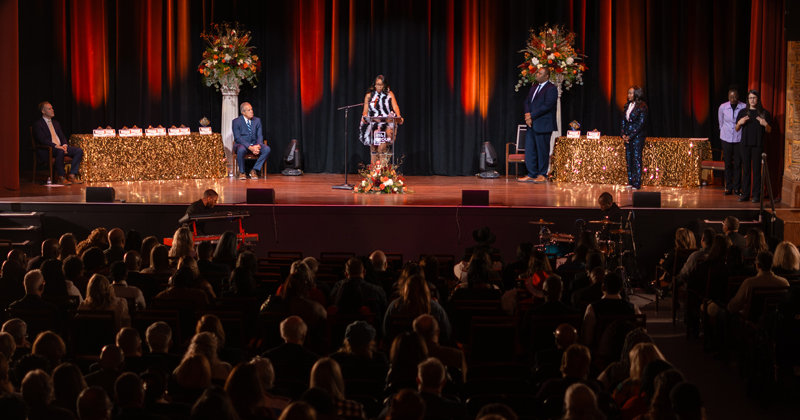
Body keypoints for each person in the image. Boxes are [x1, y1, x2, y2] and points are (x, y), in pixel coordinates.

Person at [519, 67, 558, 183]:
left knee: (542, 150)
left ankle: (542, 174)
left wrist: (531, 115)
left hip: (543, 124)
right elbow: (526, 102)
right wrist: (527, 114)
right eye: (537, 73)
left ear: (546, 76)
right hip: (531, 124)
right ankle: (531, 173)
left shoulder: (551, 88)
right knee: (530, 149)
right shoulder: (533, 87)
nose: (537, 75)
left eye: (540, 73)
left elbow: (547, 106)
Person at [31, 101, 84, 185]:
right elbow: (43, 140)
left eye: (52, 108)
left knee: (78, 151)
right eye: (49, 109)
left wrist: (65, 146)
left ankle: (72, 175)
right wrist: (56, 146)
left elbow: (62, 136)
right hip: (47, 150)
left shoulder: (56, 123)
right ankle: (61, 177)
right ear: (43, 111)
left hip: (60, 148)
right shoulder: (38, 124)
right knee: (60, 151)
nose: (52, 110)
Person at [735, 89, 772, 202]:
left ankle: (756, 195)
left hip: (757, 145)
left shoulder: (763, 113)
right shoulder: (742, 112)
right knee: (746, 170)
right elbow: (736, 129)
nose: (752, 100)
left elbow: (769, 130)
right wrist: (739, 123)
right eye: (750, 98)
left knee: (756, 170)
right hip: (745, 145)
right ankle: (745, 194)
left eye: (754, 98)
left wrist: (765, 124)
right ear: (748, 99)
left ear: (758, 99)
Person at [359, 75, 404, 166]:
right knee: (373, 149)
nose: (379, 87)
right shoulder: (369, 96)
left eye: (381, 85)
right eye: (377, 84)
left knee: (382, 148)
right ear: (374, 85)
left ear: (384, 85)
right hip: (373, 124)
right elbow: (365, 110)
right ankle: (374, 173)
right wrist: (364, 116)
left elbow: (395, 106)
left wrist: (399, 116)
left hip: (385, 124)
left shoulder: (389, 94)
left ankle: (382, 171)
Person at [718, 88, 747, 196]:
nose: (733, 99)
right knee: (728, 164)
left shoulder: (743, 106)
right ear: (728, 97)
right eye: (731, 97)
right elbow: (720, 122)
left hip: (738, 138)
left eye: (734, 97)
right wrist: (723, 132)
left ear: (738, 96)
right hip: (726, 138)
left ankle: (736, 189)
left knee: (738, 164)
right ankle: (728, 188)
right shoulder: (723, 107)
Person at [621, 85, 649, 190]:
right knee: (629, 158)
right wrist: (623, 134)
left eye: (631, 93)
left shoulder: (642, 106)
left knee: (636, 159)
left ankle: (637, 183)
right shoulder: (627, 105)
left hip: (637, 136)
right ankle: (630, 181)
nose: (629, 95)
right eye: (628, 93)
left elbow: (641, 124)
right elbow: (624, 121)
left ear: (637, 94)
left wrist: (631, 136)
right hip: (628, 136)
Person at [232, 102, 270, 180]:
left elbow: (260, 135)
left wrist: (258, 146)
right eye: (248, 110)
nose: (251, 111)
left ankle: (254, 170)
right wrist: (250, 147)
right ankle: (242, 172)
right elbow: (238, 138)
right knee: (241, 149)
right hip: (242, 144)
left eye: (251, 109)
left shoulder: (257, 120)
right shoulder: (236, 121)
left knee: (267, 149)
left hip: (255, 144)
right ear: (243, 112)